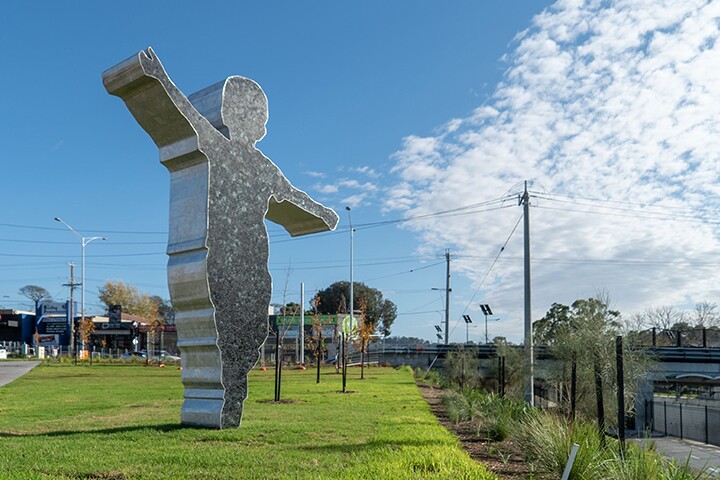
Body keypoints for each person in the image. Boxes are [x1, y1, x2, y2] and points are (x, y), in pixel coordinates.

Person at [103, 48, 338, 428]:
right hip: (217, 262)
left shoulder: (263, 166)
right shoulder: (214, 148)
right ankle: (220, 401)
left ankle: (232, 395)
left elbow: (294, 198)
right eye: (257, 115)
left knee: (252, 334)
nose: (261, 124)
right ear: (233, 115)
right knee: (218, 332)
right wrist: (157, 79)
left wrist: (324, 214)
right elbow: (184, 115)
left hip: (254, 268)